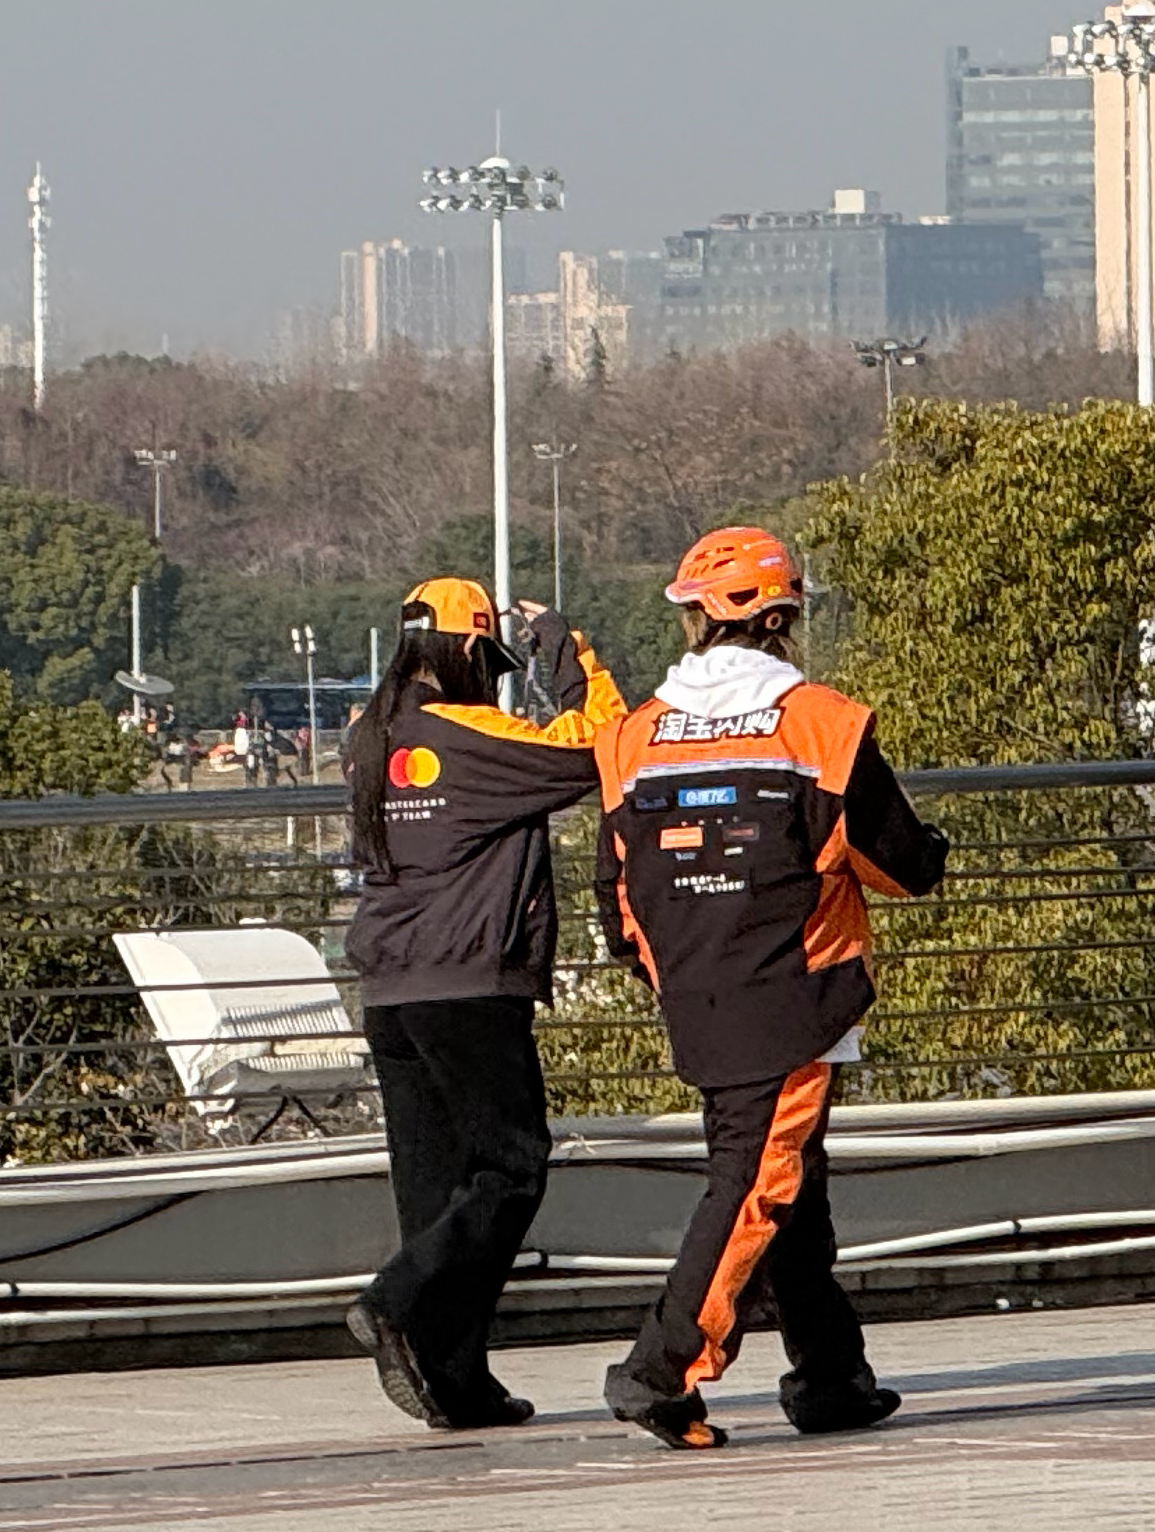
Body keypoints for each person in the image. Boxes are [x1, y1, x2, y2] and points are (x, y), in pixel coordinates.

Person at [592, 524, 949, 1450]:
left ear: (692, 621)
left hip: (694, 989)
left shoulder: (634, 735)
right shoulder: (822, 723)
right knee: (755, 1183)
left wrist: (670, 967)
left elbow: (615, 891)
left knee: (793, 1187)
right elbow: (902, 866)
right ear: (786, 618)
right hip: (794, 993)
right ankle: (661, 1370)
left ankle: (831, 1377)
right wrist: (932, 850)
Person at [339, 574, 626, 1430]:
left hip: (390, 989)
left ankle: (457, 1384)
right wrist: (568, 649)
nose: (494, 680)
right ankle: (394, 1299)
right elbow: (600, 744)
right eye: (491, 662)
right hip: (468, 980)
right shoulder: (470, 733)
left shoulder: (367, 734)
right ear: (468, 649)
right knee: (512, 1169)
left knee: (433, 1194)